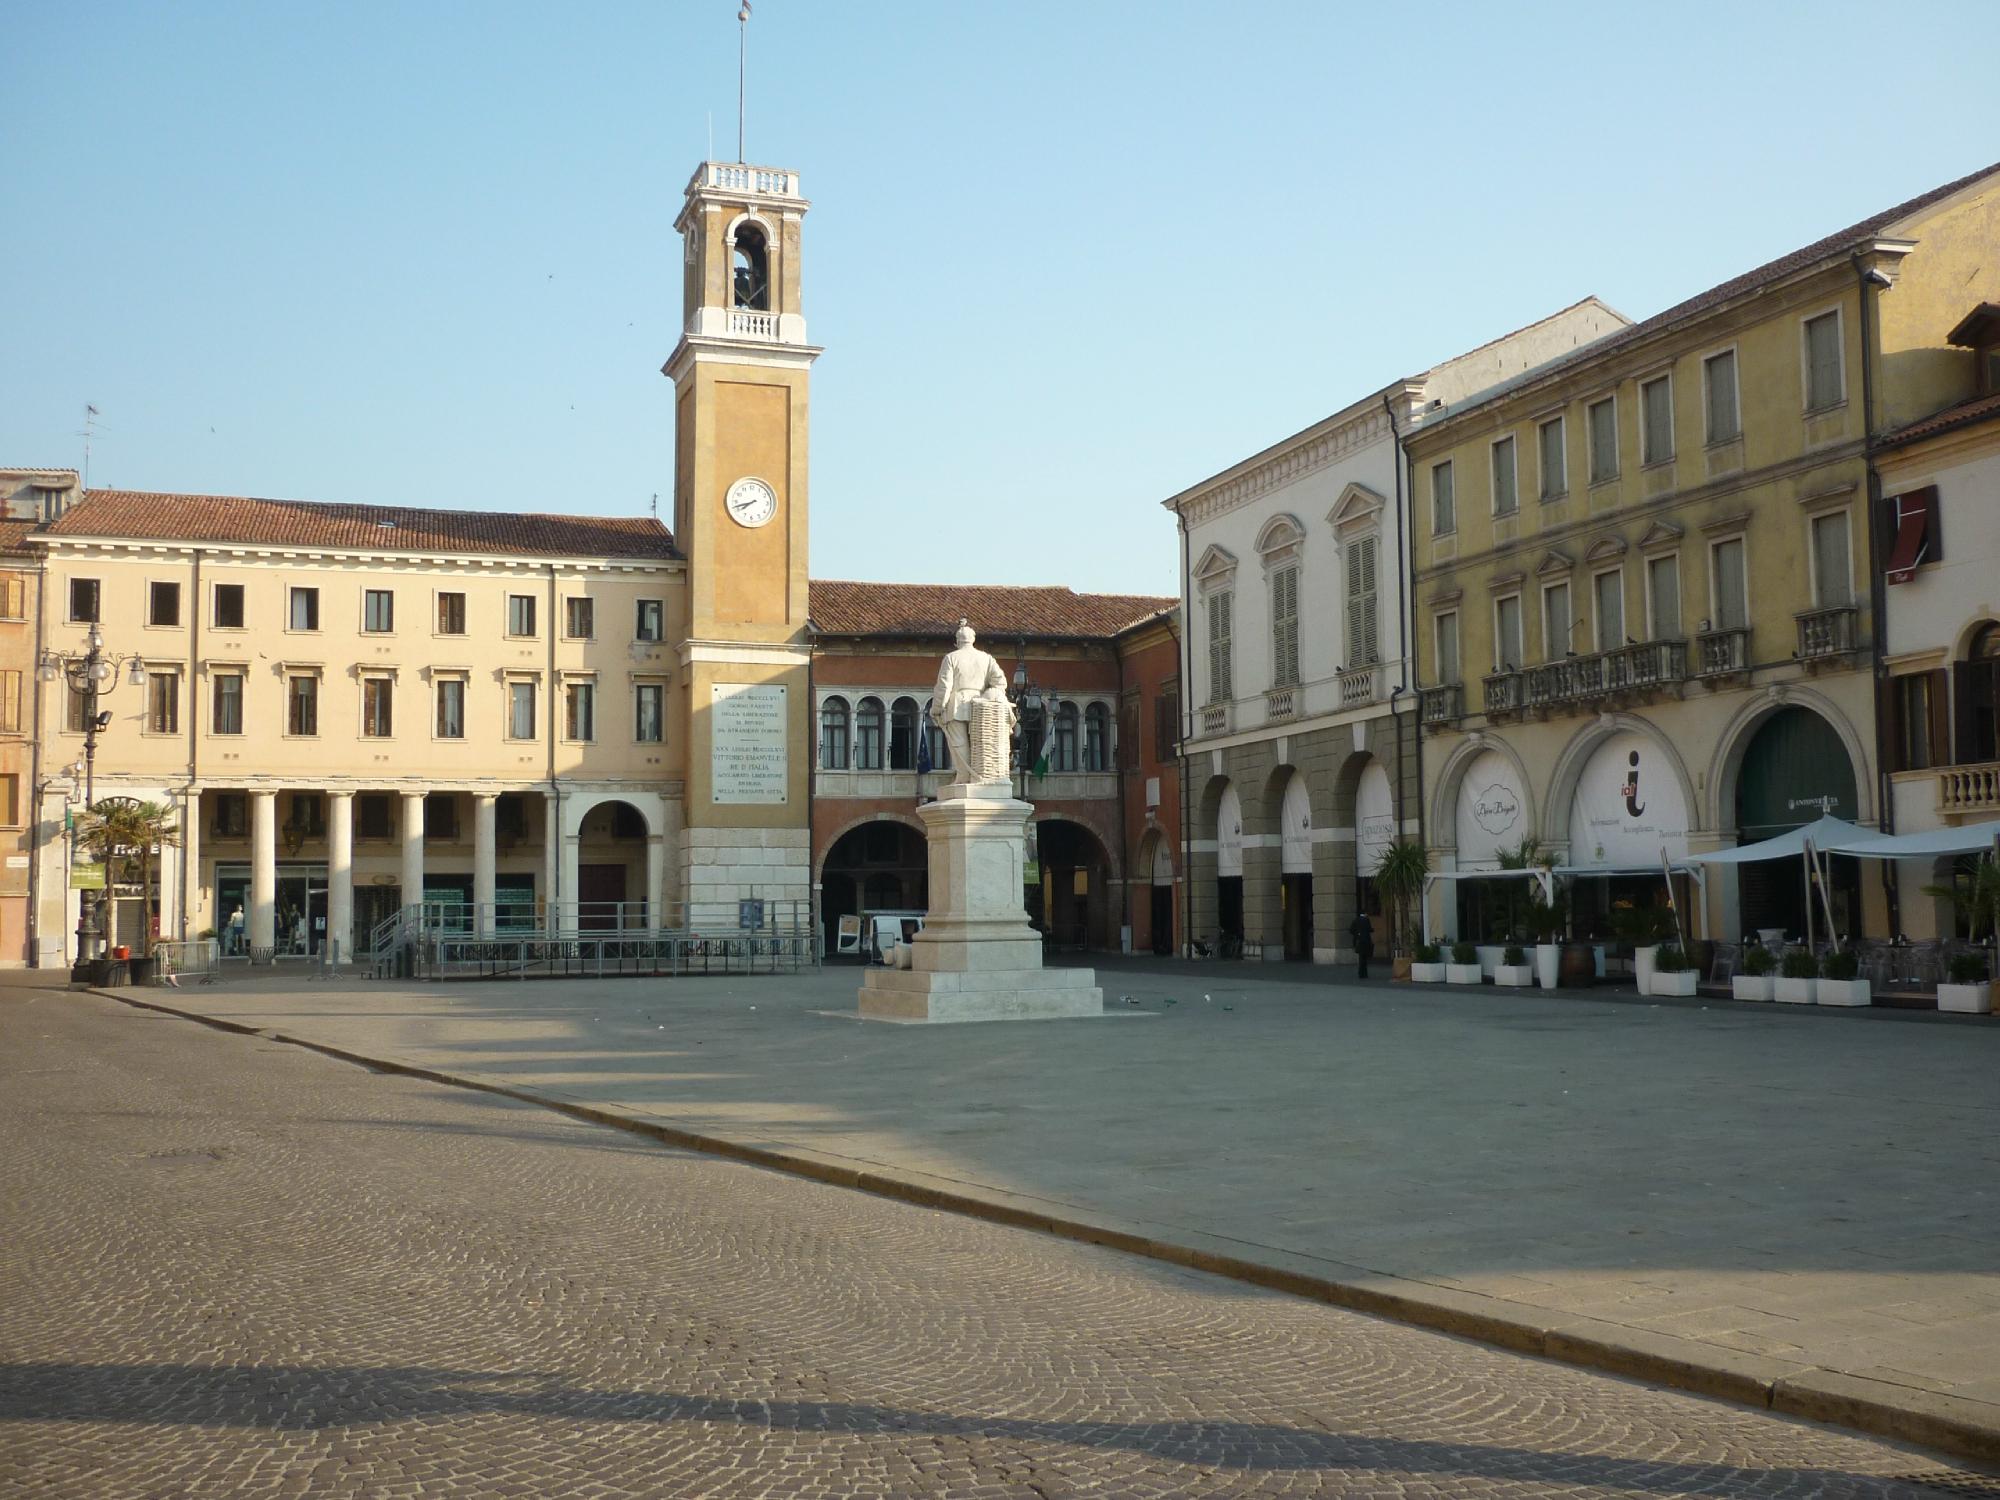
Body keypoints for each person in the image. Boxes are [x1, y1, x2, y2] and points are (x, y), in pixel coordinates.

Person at [1349, 909, 1376, 980]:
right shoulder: (1366, 920)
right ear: (1365, 913)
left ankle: (1361, 973)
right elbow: (1369, 929)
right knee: (1364, 959)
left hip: (1359, 941)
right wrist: (1372, 930)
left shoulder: (1356, 920)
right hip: (1366, 941)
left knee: (1361, 957)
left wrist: (1357, 935)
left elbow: (1351, 930)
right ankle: (1364, 974)